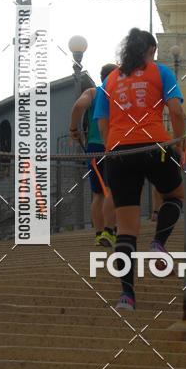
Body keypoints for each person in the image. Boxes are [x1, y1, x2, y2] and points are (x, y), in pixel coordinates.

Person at [94, 29, 185, 311]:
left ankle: (127, 297)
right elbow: (177, 111)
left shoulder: (109, 79)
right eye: (154, 52)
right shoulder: (160, 73)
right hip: (154, 145)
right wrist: (180, 145)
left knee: (126, 229)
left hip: (119, 151)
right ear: (150, 50)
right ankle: (158, 243)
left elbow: (101, 120)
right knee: (175, 196)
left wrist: (112, 146)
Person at [69, 63, 117, 247]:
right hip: (115, 146)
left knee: (97, 194)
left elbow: (78, 106)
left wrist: (74, 128)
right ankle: (110, 230)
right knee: (113, 190)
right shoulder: (120, 93)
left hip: (94, 147)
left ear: (101, 76)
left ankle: (98, 233)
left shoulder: (93, 92)